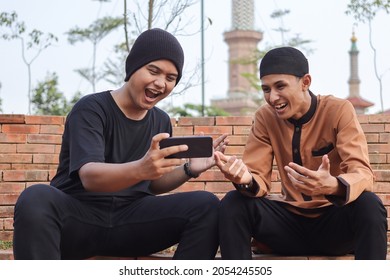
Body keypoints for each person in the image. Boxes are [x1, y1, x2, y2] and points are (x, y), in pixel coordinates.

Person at [13, 28, 228, 260]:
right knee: (34, 198)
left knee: (206, 205)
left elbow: (152, 184)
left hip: (131, 222)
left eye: (170, 77)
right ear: (133, 67)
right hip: (78, 218)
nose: (160, 83)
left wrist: (188, 170)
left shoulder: (161, 120)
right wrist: (141, 168)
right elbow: (90, 176)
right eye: (153, 71)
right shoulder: (91, 109)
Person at [215, 46, 388, 260]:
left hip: (333, 224)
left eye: (280, 86)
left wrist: (333, 185)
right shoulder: (264, 117)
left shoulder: (338, 110)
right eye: (266, 89)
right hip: (286, 226)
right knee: (233, 203)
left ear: (305, 82)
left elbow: (362, 172)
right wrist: (246, 180)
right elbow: (256, 175)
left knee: (369, 205)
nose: (272, 97)